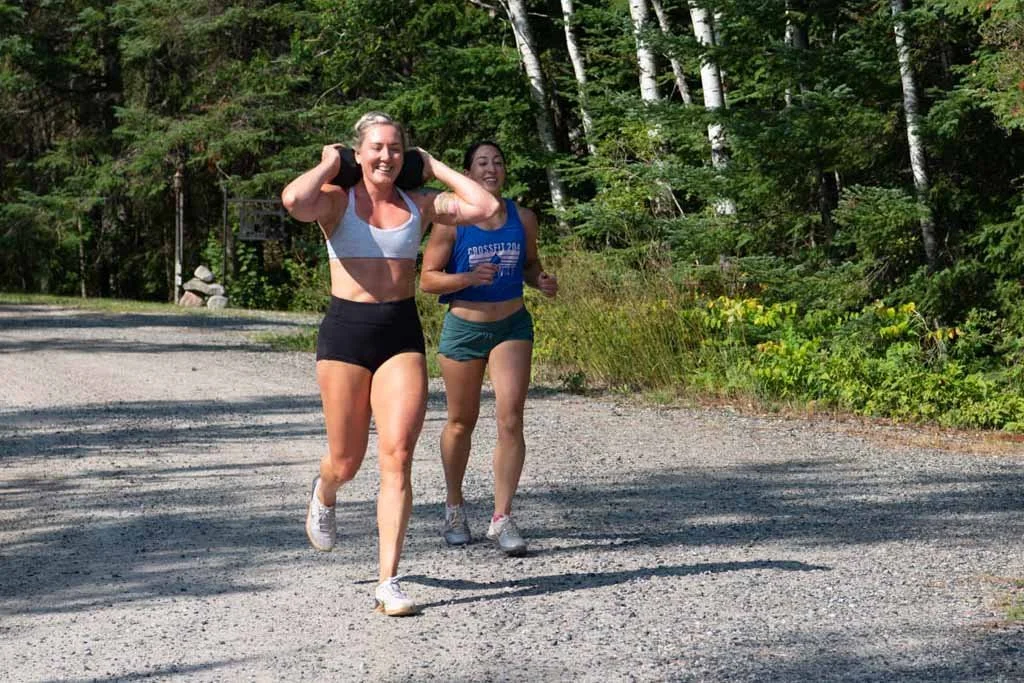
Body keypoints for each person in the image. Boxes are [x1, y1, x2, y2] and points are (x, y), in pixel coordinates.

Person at [281, 113, 500, 615]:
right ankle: (326, 490)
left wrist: (437, 165)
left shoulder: (419, 205)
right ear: (358, 154)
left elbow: (484, 206)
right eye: (376, 148)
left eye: (397, 149)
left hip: (400, 335)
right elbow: (294, 201)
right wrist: (327, 162)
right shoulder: (336, 203)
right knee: (347, 460)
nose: (387, 157)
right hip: (346, 336)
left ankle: (389, 581)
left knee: (398, 455)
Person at [420, 141, 558, 557]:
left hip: (512, 325)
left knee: (511, 418)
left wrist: (541, 281)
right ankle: (454, 508)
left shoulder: (524, 218)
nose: (491, 168)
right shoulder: (451, 221)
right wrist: (467, 279)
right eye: (482, 163)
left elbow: (529, 265)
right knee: (462, 421)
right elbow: (428, 279)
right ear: (468, 171)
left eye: (498, 161)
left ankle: (502, 517)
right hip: (465, 327)